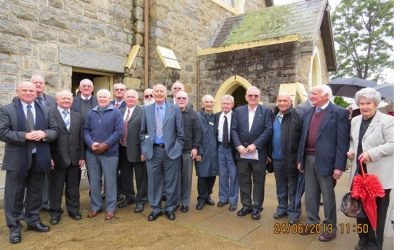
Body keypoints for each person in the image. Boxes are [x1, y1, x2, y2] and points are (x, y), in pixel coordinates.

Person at [0, 81, 58, 244]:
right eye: (24, 90)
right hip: (17, 158)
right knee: (14, 195)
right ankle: (14, 227)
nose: (28, 93)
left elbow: (55, 131)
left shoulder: (45, 109)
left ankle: (33, 221)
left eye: (31, 90)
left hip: (40, 158)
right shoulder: (7, 110)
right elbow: (2, 132)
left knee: (35, 192)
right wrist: (24, 136)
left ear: (36, 92)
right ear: (18, 91)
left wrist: (44, 133)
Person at [297, 85, 350, 242]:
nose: (311, 96)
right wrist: (300, 159)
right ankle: (312, 222)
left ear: (326, 96)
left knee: (327, 197)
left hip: (327, 162)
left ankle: (330, 228)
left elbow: (343, 142)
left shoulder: (339, 112)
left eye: (315, 93)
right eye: (310, 93)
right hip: (308, 158)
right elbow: (303, 138)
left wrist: (339, 166)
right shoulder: (309, 112)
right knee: (311, 194)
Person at [347, 88, 393, 250]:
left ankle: (374, 244)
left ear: (376, 104)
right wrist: (352, 149)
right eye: (361, 103)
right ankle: (363, 240)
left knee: (377, 213)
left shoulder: (388, 121)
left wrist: (371, 153)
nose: (365, 106)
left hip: (378, 176)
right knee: (360, 212)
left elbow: (394, 144)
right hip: (359, 173)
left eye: (368, 103)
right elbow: (353, 140)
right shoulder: (355, 120)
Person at [140, 84, 184, 221]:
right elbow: (143, 132)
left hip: (171, 152)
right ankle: (156, 208)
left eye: (162, 91)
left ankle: (170, 208)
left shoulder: (175, 109)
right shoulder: (146, 110)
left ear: (166, 94)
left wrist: (177, 148)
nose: (159, 93)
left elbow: (180, 133)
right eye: (156, 91)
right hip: (153, 152)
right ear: (152, 93)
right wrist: (146, 147)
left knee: (171, 182)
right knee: (154, 182)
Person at [231, 86, 272, 220]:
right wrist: (238, 146)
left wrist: (256, 144)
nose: (253, 98)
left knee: (258, 182)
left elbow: (268, 130)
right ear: (246, 97)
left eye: (255, 95)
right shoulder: (238, 111)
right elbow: (234, 130)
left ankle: (256, 208)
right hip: (242, 153)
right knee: (244, 180)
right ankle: (246, 205)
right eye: (250, 95)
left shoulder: (266, 111)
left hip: (258, 153)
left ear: (259, 97)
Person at [83, 89, 124, 220]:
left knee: (110, 181)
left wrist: (106, 144)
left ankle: (110, 208)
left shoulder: (116, 112)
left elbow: (119, 131)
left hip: (110, 153)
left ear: (109, 98)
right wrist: (91, 144)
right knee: (94, 181)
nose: (102, 99)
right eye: (100, 96)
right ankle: (96, 207)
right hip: (92, 152)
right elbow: (86, 131)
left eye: (105, 97)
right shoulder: (91, 113)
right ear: (97, 98)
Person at [48, 90, 85, 225]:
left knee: (73, 188)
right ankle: (55, 213)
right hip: (56, 159)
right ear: (57, 100)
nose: (66, 101)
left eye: (68, 99)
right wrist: (49, 157)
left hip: (75, 158)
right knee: (56, 189)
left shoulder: (78, 116)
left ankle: (74, 210)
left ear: (72, 101)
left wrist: (82, 156)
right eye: (63, 98)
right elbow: (47, 138)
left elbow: (81, 138)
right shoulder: (50, 114)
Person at [269, 93, 302, 224]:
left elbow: (301, 140)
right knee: (281, 185)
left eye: (285, 100)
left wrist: (299, 159)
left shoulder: (297, 116)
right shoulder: (273, 116)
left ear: (291, 102)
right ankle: (282, 208)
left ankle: (294, 212)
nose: (282, 103)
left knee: (293, 187)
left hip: (291, 159)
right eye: (280, 100)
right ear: (277, 102)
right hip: (276, 158)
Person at [117, 89, 148, 213]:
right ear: (124, 99)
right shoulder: (120, 112)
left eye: (133, 97)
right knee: (126, 175)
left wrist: (144, 150)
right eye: (128, 97)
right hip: (122, 149)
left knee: (140, 176)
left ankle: (141, 199)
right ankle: (129, 197)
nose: (130, 99)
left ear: (137, 99)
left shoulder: (143, 112)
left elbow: (146, 132)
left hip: (137, 149)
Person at [30, 75, 57, 211]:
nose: (38, 85)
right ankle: (29, 205)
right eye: (35, 82)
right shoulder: (21, 100)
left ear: (44, 85)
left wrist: (46, 134)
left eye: (41, 82)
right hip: (30, 144)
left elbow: (54, 123)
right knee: (29, 178)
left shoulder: (52, 100)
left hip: (48, 143)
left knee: (46, 176)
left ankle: (45, 202)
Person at [175, 90, 201, 213]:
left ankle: (184, 202)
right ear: (175, 99)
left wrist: (195, 147)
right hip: (172, 152)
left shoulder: (193, 114)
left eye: (183, 98)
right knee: (174, 178)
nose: (181, 100)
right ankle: (175, 201)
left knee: (186, 179)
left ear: (187, 100)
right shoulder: (170, 112)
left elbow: (197, 132)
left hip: (187, 151)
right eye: (179, 98)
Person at [195, 95, 219, 210]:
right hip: (202, 151)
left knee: (212, 175)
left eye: (211, 102)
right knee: (202, 176)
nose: (209, 104)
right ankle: (201, 198)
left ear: (213, 103)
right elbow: (195, 134)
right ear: (203, 103)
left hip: (214, 152)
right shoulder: (197, 117)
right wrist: (198, 151)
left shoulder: (216, 117)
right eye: (207, 102)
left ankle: (208, 195)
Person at [215, 95, 238, 212]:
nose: (225, 105)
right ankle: (223, 198)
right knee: (222, 175)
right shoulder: (217, 116)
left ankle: (233, 201)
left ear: (232, 105)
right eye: (223, 103)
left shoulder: (237, 116)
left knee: (234, 175)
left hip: (232, 149)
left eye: (228, 103)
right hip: (220, 148)